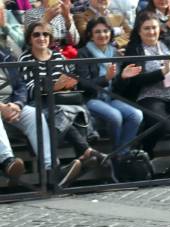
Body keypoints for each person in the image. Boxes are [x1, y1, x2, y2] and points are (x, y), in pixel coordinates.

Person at [19, 22, 104, 187]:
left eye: (45, 34)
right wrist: (53, 87)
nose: (41, 38)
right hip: (39, 104)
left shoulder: (58, 56)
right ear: (29, 38)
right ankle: (86, 152)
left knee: (71, 111)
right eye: (36, 34)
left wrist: (69, 84)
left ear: (50, 37)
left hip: (62, 101)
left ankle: (80, 158)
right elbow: (29, 89)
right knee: (60, 113)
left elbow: (70, 79)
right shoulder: (25, 58)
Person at [115, 10, 170, 156]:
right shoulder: (134, 49)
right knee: (161, 124)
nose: (151, 32)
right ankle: (146, 151)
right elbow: (137, 79)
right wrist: (162, 73)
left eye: (154, 27)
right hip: (150, 95)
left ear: (159, 28)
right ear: (139, 31)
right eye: (147, 28)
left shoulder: (169, 42)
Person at [0, 41, 82, 187]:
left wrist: (17, 104)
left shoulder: (4, 53)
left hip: (11, 104)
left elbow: (20, 85)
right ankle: (8, 163)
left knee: (34, 114)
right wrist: (1, 107)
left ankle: (52, 171)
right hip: (2, 107)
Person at [77, 18, 144, 160]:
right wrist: (105, 78)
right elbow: (83, 85)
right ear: (90, 35)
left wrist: (123, 78)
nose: (102, 35)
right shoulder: (83, 53)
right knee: (115, 116)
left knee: (137, 115)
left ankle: (120, 153)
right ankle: (117, 155)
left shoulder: (115, 53)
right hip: (92, 98)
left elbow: (118, 88)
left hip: (111, 98)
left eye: (105, 31)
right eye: (97, 32)